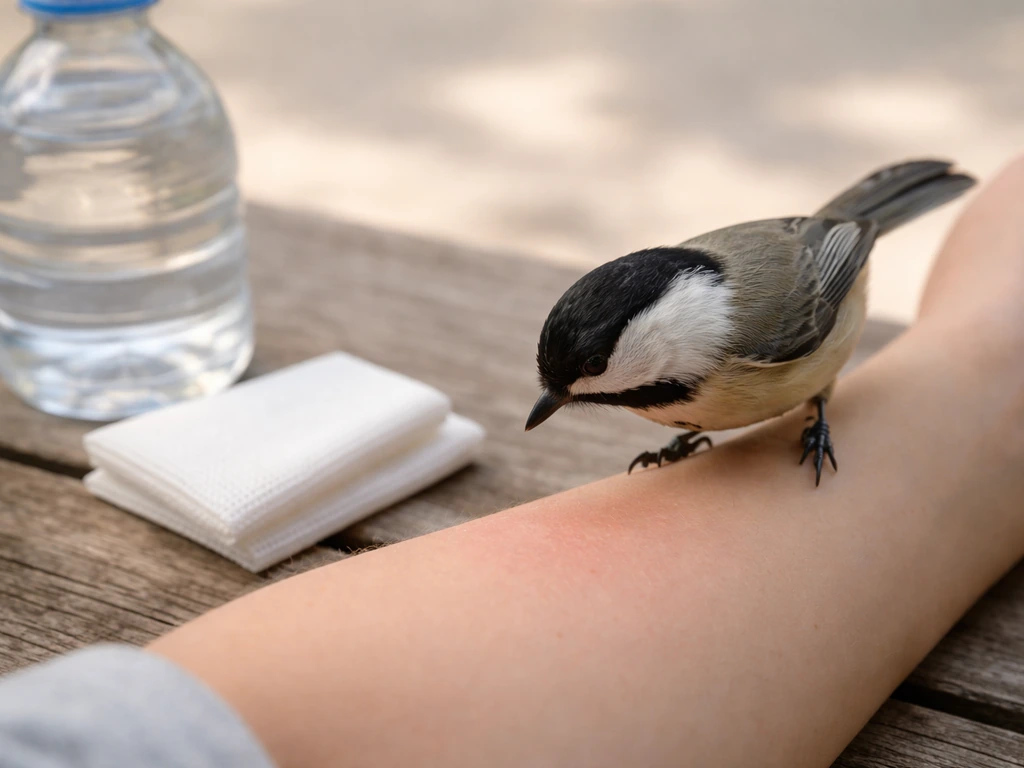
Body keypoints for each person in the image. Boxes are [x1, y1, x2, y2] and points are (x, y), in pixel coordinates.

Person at [2, 154, 1024, 768]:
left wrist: (823, 409)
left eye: (584, 382)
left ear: (656, 351)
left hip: (830, 280)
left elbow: (829, 243)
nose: (565, 405)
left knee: (812, 389)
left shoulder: (756, 332)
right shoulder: (670, 365)